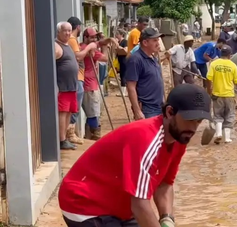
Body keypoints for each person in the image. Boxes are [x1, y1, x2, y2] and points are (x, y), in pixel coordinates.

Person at [58, 84, 212, 227]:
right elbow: (139, 204)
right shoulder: (146, 140)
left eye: (198, 122)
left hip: (120, 206)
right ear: (169, 112)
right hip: (83, 204)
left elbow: (165, 183)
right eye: (189, 120)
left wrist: (167, 219)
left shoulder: (179, 139)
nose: (193, 128)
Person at [55, 22, 87, 150]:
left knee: (69, 113)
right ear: (58, 32)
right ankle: (62, 140)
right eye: (65, 31)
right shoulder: (56, 46)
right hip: (62, 87)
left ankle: (65, 138)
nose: (68, 33)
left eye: (69, 31)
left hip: (71, 86)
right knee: (63, 113)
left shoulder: (67, 45)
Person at [81, 28, 116, 140]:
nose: (94, 39)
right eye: (91, 37)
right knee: (93, 113)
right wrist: (105, 47)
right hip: (89, 85)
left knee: (93, 112)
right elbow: (105, 59)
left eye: (95, 37)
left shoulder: (85, 46)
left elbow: (99, 43)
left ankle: (89, 136)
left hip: (90, 83)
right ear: (85, 37)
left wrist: (104, 40)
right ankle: (94, 137)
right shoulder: (88, 49)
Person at [66, 16, 95, 145]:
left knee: (74, 106)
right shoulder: (72, 39)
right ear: (78, 27)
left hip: (78, 77)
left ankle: (70, 133)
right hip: (77, 77)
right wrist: (89, 48)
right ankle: (70, 133)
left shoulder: (71, 40)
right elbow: (78, 57)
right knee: (75, 107)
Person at [126, 28, 165, 120]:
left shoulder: (152, 57)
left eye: (158, 40)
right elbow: (131, 87)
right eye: (154, 40)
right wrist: (137, 111)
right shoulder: (136, 59)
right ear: (145, 43)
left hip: (159, 106)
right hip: (147, 109)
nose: (158, 43)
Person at [206, 45, 237, 144]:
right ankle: (227, 138)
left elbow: (208, 79)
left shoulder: (214, 64)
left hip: (217, 94)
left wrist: (209, 90)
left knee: (217, 115)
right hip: (229, 95)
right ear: (230, 55)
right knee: (229, 115)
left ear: (220, 53)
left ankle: (218, 134)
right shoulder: (233, 65)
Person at [115, 29, 129, 96]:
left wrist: (118, 45)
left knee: (123, 75)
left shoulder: (125, 41)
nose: (116, 36)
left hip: (124, 60)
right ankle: (122, 91)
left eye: (117, 34)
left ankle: (123, 92)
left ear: (121, 35)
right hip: (120, 60)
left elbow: (126, 50)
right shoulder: (119, 42)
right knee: (121, 75)